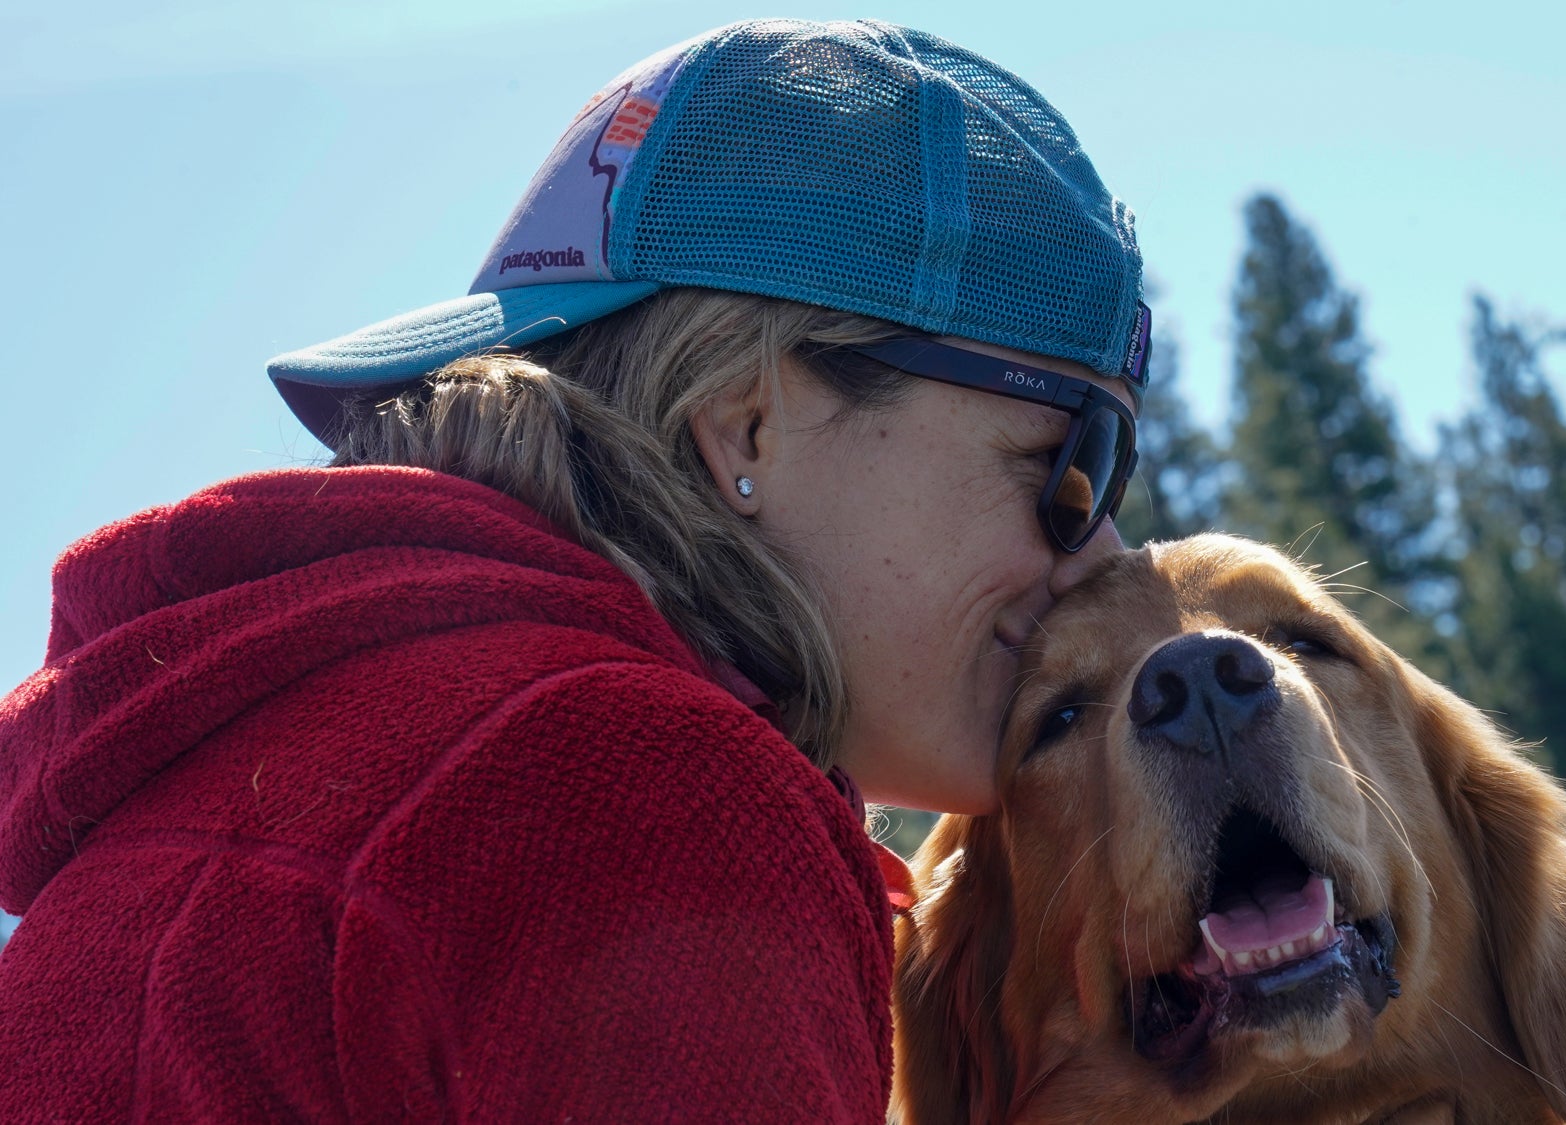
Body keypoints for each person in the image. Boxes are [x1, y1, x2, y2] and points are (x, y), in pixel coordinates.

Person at [0, 19, 1147, 1122]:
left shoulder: (322, 743)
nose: (1103, 549)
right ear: (748, 422)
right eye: (1063, 461)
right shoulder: (639, 797)